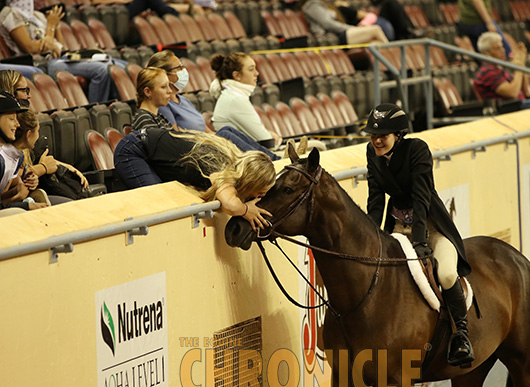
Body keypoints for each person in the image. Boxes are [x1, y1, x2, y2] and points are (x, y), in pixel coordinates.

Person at [364, 103, 474, 367]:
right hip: (397, 227)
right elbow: (376, 199)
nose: (377, 140)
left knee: (446, 273)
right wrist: (371, 236)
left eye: (384, 136)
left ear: (398, 135)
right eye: (373, 135)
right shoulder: (372, 152)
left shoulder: (417, 150)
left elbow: (421, 197)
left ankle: (461, 335)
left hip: (431, 226)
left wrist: (421, 239)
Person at [114, 127, 275, 230]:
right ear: (251, 181)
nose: (258, 198)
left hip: (149, 149)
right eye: (259, 193)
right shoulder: (218, 166)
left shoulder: (234, 162)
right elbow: (230, 204)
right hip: (134, 150)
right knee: (161, 208)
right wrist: (246, 210)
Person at [147, 50, 281, 160]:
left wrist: (217, 140)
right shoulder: (164, 105)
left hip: (208, 145)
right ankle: (271, 161)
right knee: (225, 134)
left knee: (226, 132)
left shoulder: (184, 101)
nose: (184, 70)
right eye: (179, 68)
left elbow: (208, 131)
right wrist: (211, 140)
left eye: (183, 66)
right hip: (196, 152)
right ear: (165, 75)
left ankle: (271, 158)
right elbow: (176, 137)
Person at [0, 1, 126, 103]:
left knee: (117, 64)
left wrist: (57, 26)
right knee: (101, 70)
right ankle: (97, 109)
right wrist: (50, 27)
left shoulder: (37, 15)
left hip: (61, 57)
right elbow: (29, 48)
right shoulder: (9, 13)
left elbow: (60, 46)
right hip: (43, 62)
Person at [0, 90, 47, 214]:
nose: (17, 124)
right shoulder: (1, 159)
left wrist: (19, 191)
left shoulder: (17, 157)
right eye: (11, 119)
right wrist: (25, 207)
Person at [474, 32, 530, 110]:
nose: (503, 50)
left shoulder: (499, 69)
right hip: (508, 111)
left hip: (519, 105)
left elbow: (524, 90)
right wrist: (518, 69)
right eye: (497, 48)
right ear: (486, 54)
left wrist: (522, 65)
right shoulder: (487, 73)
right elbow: (513, 93)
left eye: (502, 47)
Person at [300, 0, 388, 45]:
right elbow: (328, 24)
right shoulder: (312, 5)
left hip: (341, 32)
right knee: (375, 29)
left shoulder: (325, 4)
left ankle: (393, 68)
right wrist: (351, 28)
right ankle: (397, 60)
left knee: (375, 43)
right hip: (334, 36)